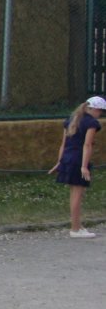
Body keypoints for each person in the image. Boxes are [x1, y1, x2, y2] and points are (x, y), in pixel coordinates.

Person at [50, 95, 106, 239]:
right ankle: (75, 229)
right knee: (77, 195)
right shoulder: (91, 123)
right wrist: (84, 166)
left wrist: (60, 162)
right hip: (78, 160)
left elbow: (64, 144)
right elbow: (87, 145)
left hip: (68, 159)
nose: (100, 114)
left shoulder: (70, 120)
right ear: (92, 109)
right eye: (99, 111)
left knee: (74, 194)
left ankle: (77, 225)